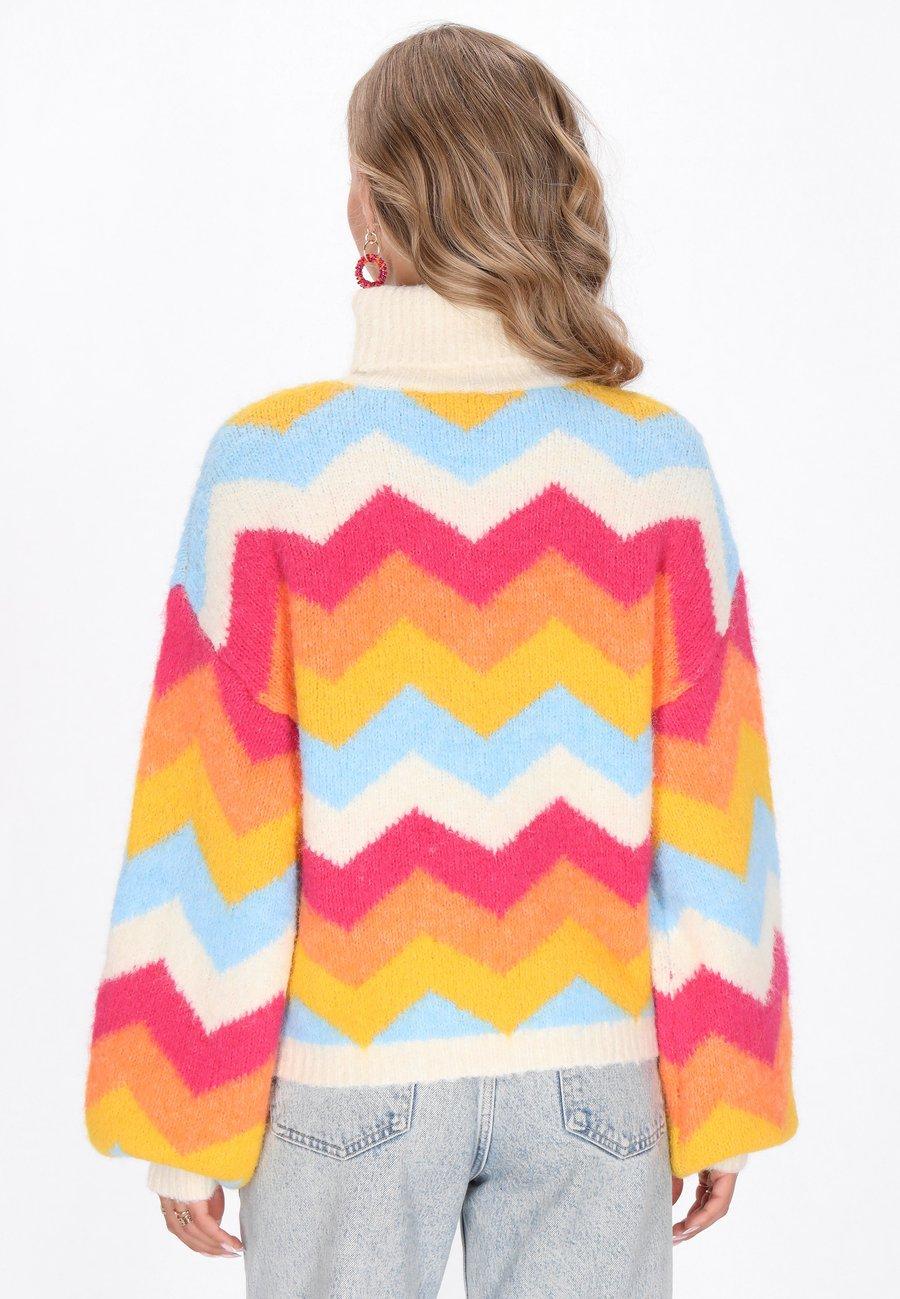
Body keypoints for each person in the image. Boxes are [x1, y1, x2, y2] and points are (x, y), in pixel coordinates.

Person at [85, 23, 796, 1298]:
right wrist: (724, 1090)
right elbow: (715, 798)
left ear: (371, 200)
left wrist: (182, 1117)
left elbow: (214, 808)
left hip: (345, 1074)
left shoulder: (271, 465)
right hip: (596, 1075)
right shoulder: (655, 464)